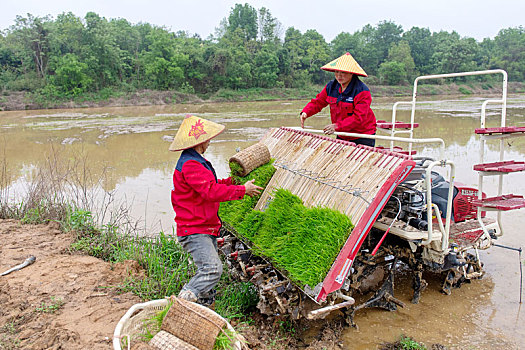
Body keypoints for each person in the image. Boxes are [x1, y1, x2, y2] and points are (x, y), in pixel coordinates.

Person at [169, 114, 263, 306]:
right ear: (200, 141)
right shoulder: (191, 165)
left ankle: (203, 304)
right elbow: (210, 191)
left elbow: (211, 184)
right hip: (195, 230)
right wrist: (242, 190)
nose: (210, 142)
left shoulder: (194, 161)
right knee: (212, 269)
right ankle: (183, 302)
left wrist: (233, 182)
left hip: (204, 226)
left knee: (207, 267)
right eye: (207, 139)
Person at [300, 52, 377, 147]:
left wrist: (337, 126)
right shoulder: (331, 87)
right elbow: (319, 102)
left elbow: (358, 117)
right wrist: (306, 112)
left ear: (351, 73)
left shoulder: (362, 91)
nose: (339, 76)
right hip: (342, 134)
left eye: (343, 72)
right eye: (337, 72)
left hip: (362, 135)